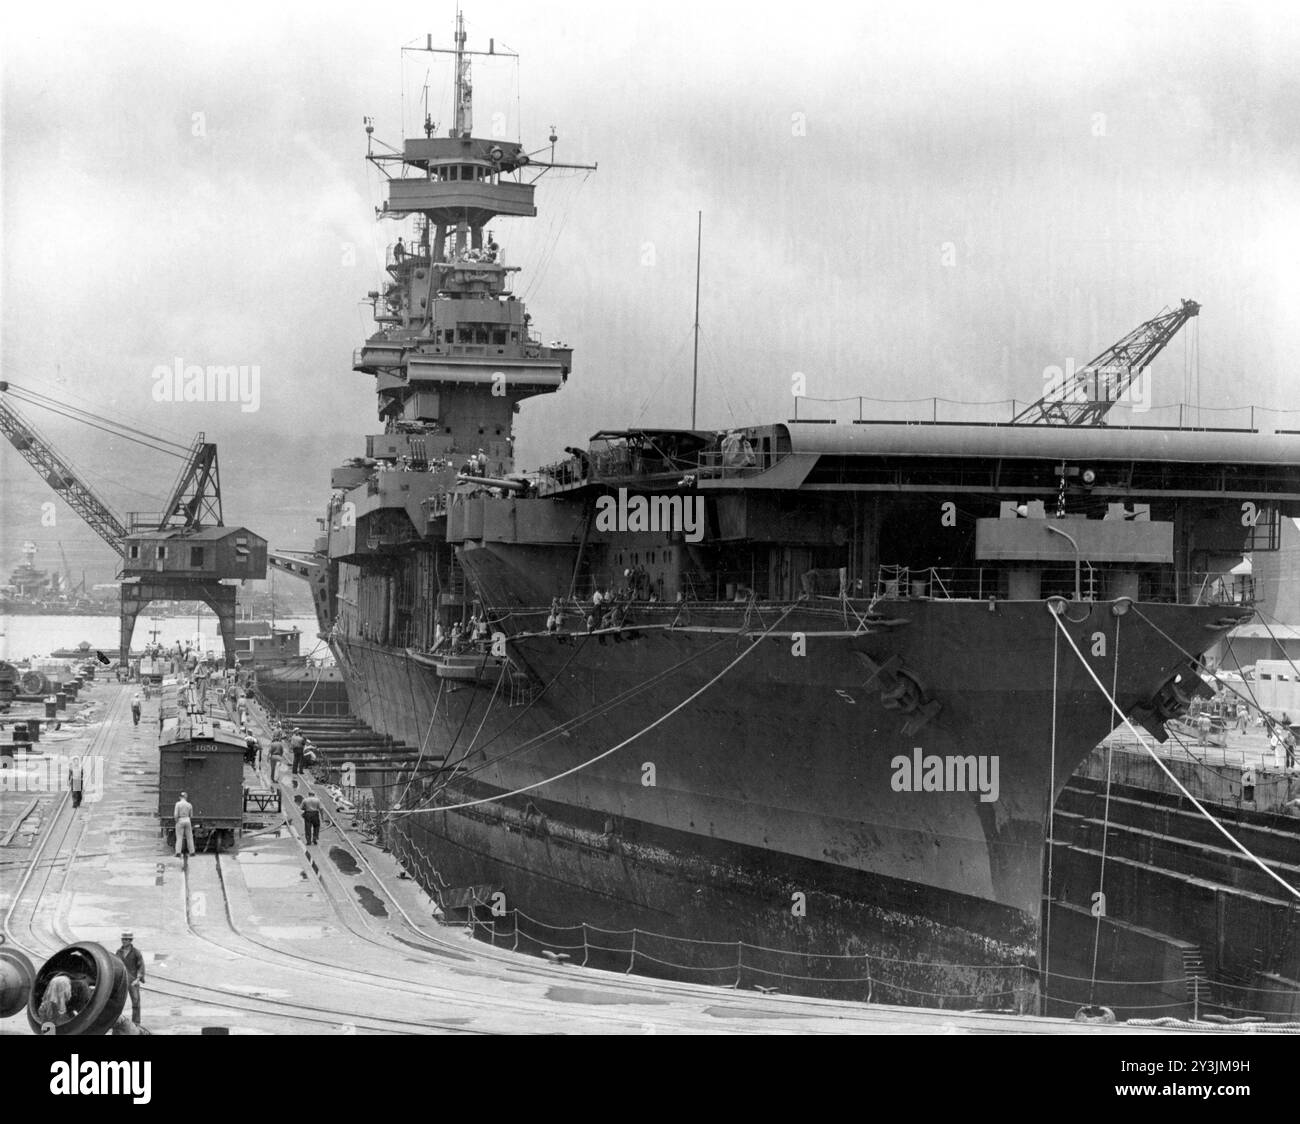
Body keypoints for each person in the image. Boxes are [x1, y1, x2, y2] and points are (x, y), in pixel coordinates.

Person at [115, 931, 145, 1025]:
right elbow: (116, 965)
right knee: (118, 1003)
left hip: (133, 981)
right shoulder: (118, 952)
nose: (123, 941)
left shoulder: (136, 953)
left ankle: (136, 1023)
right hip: (122, 981)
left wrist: (138, 979)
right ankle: (117, 1021)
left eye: (126, 939)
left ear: (130, 940)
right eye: (123, 939)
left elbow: (141, 966)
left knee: (136, 1002)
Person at [173, 791, 195, 858]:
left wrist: (176, 821)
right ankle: (192, 852)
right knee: (189, 837)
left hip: (180, 820)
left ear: (180, 797)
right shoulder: (189, 804)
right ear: (186, 797)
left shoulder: (178, 804)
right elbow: (191, 815)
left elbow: (175, 814)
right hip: (187, 820)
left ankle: (178, 853)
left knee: (179, 837)